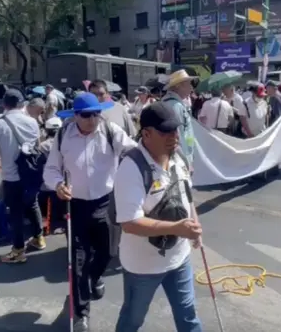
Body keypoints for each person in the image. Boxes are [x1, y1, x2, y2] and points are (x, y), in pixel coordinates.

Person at [43, 92, 137, 332]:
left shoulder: (110, 130)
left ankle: (93, 280)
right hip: (74, 205)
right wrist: (57, 185)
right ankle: (81, 313)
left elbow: (132, 150)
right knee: (77, 261)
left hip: (106, 202)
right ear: (75, 116)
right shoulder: (64, 134)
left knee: (107, 252)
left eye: (97, 113)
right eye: (87, 115)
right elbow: (52, 168)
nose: (93, 119)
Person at [114, 102, 202, 332]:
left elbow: (187, 196)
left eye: (176, 130)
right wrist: (177, 228)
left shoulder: (178, 157)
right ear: (146, 133)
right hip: (142, 266)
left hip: (179, 258)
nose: (174, 136)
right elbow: (130, 223)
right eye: (166, 132)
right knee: (133, 319)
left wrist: (194, 225)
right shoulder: (131, 167)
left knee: (188, 315)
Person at [0, 89, 44, 264]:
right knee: (33, 204)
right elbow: (37, 145)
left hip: (12, 175)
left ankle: (19, 250)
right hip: (31, 173)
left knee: (16, 212)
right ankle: (38, 238)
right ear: (21, 104)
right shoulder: (32, 122)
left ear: (4, 104)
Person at [163, 70, 198, 166]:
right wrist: (186, 161)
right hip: (180, 160)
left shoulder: (173, 104)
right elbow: (178, 137)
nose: (191, 88)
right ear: (179, 86)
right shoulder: (176, 106)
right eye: (188, 84)